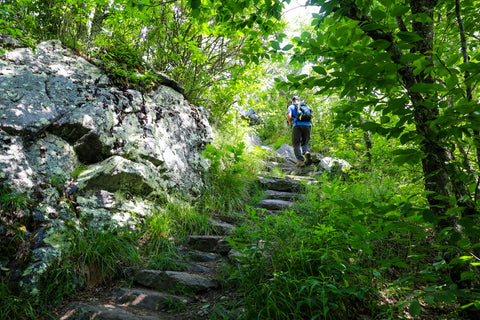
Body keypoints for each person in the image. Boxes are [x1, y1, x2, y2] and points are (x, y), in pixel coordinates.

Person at [286, 96, 312, 167]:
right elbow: (310, 117)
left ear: (293, 101)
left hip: (297, 125)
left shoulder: (291, 106)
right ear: (298, 100)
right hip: (307, 126)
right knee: (305, 142)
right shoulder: (305, 106)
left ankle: (300, 161)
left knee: (296, 143)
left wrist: (290, 122)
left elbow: (289, 116)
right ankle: (306, 152)